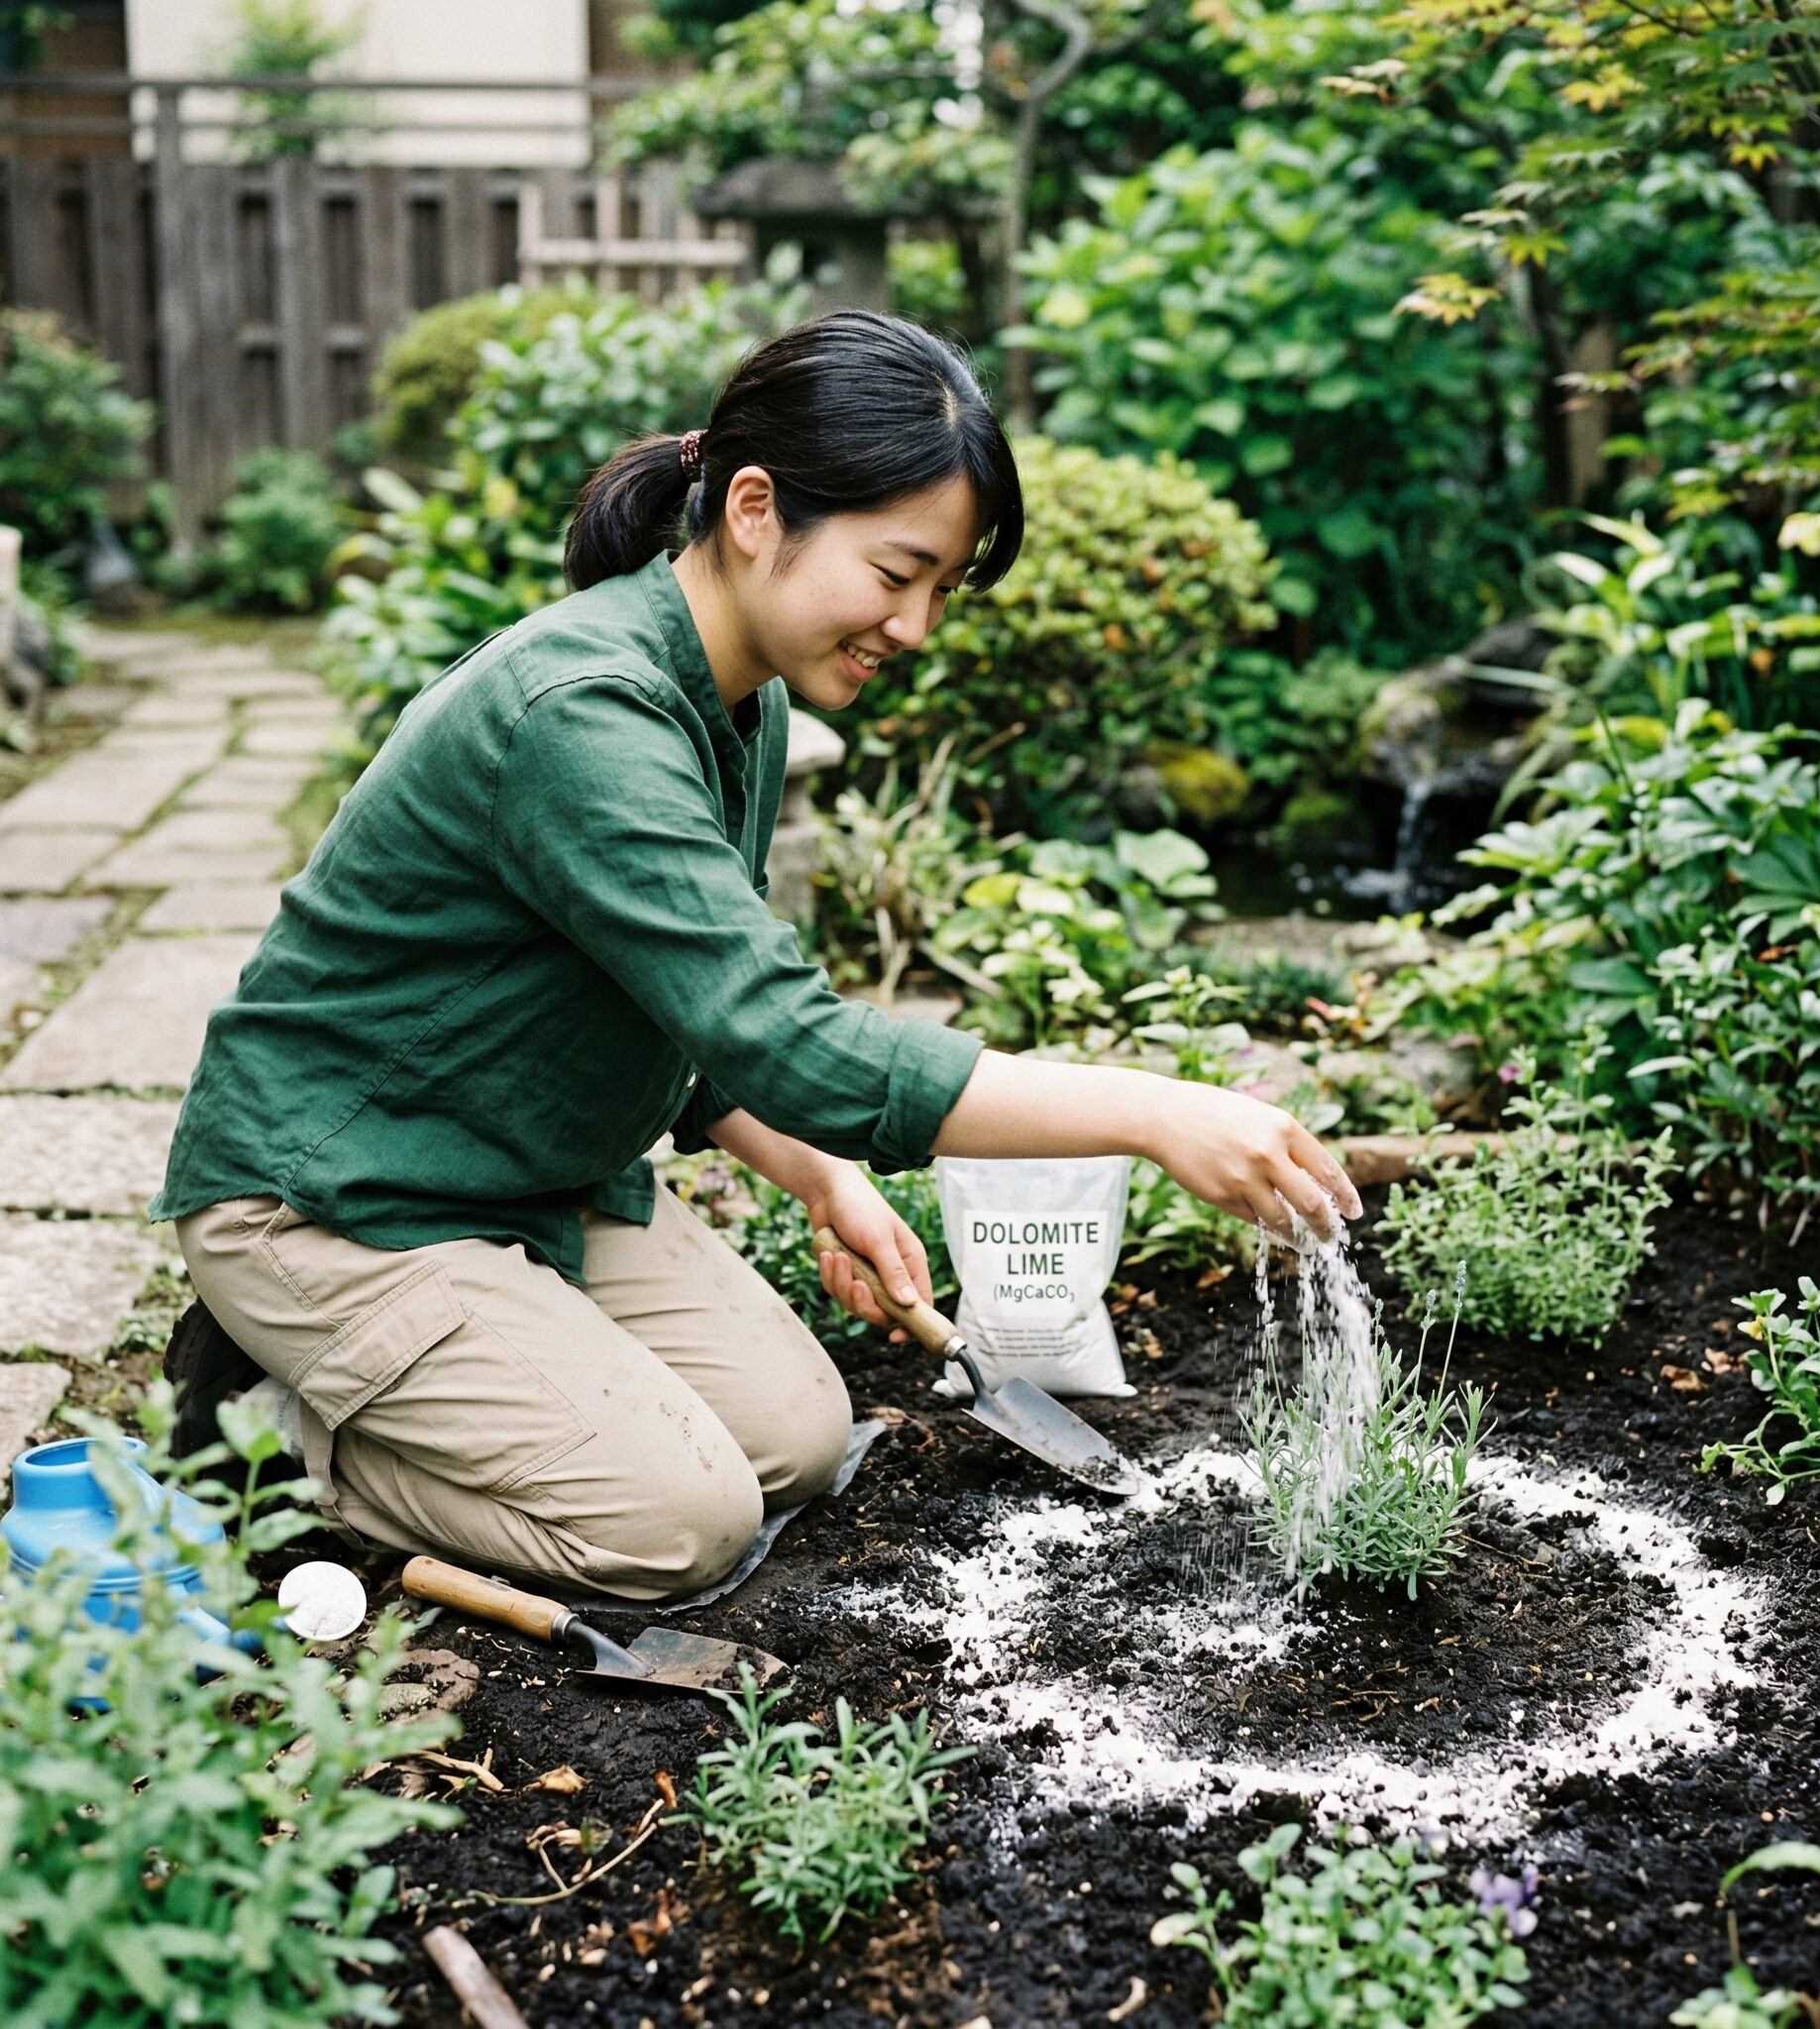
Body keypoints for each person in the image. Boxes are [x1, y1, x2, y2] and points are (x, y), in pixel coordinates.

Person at [154, 310, 1360, 1602]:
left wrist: (826, 1182)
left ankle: (453, 1382)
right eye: (899, 574)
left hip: (522, 1173)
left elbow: (698, 1010)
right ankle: (270, 1437)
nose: (918, 626)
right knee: (684, 1527)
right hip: (342, 1196)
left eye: (941, 590)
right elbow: (794, 1042)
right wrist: (1149, 1111)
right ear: (752, 508)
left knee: (793, 1438)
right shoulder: (586, 714)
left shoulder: (745, 701)